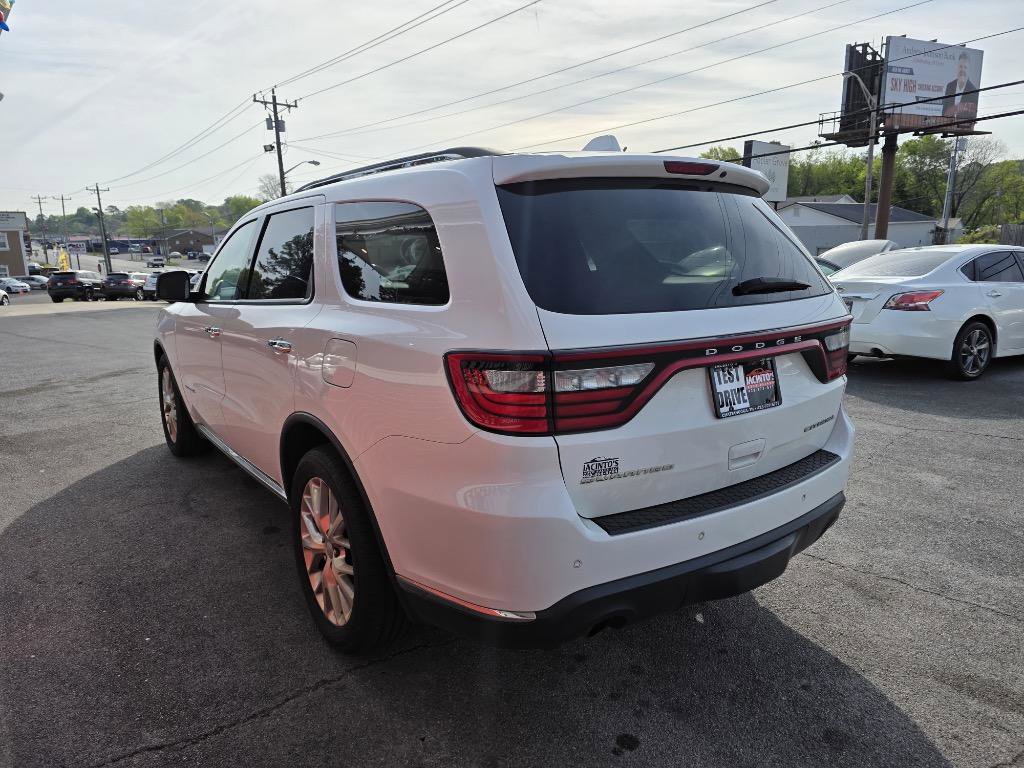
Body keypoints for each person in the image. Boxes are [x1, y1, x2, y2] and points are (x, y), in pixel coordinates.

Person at [942, 51, 978, 119]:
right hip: (946, 126)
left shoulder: (974, 91)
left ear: (969, 70)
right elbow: (944, 111)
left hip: (963, 128)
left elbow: (972, 116)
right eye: (960, 66)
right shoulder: (949, 86)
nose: (962, 70)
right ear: (957, 68)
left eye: (965, 67)